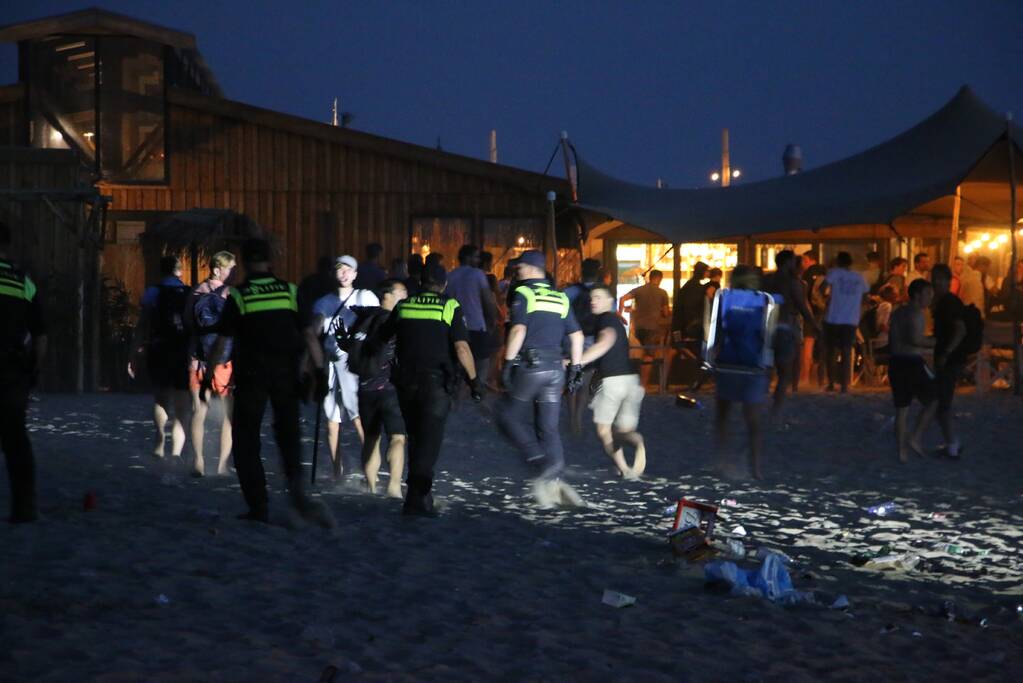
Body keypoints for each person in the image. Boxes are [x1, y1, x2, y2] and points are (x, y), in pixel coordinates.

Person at [205, 238, 331, 526]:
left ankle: (258, 504)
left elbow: (222, 341)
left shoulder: (239, 296)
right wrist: (320, 372)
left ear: (247, 264)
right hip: (286, 374)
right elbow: (310, 335)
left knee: (246, 440)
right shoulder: (290, 291)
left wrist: (209, 375)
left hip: (252, 375)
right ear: (270, 262)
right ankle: (297, 491)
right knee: (288, 435)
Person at [391, 263, 482, 517]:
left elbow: (384, 337)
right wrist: (474, 383)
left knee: (416, 438)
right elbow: (462, 349)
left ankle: (421, 496)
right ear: (444, 285)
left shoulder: (403, 306)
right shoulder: (450, 306)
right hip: (436, 384)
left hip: (406, 384)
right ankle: (416, 499)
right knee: (429, 443)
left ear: (420, 282)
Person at [498, 250, 585, 508]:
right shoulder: (560, 296)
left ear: (534, 268)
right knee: (548, 427)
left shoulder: (524, 293)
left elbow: (518, 329)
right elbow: (577, 336)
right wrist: (576, 369)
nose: (517, 271)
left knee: (508, 416)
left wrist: (508, 363)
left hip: (530, 366)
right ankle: (555, 483)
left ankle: (539, 462)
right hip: (555, 369)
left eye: (520, 267)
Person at [308, 255, 379, 478]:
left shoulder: (365, 296)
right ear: (333, 273)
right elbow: (315, 330)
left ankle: (371, 468)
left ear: (356, 274)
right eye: (340, 269)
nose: (344, 274)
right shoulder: (323, 302)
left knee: (357, 414)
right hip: (330, 362)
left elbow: (379, 323)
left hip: (352, 363)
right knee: (332, 419)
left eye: (349, 270)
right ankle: (336, 469)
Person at [706, 265, 777, 480]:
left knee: (722, 415)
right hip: (752, 363)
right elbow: (768, 336)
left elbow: (715, 329)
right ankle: (755, 468)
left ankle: (721, 460)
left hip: (728, 360)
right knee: (753, 421)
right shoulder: (764, 300)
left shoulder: (725, 298)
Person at [0, 222, 47, 522]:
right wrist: (34, 370)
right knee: (16, 439)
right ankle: (24, 508)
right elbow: (41, 335)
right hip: (12, 370)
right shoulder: (23, 282)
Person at [579, 285, 646, 479]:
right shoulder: (615, 320)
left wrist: (579, 360)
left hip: (612, 383)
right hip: (631, 381)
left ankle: (625, 467)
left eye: (598, 297)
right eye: (592, 298)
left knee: (604, 430)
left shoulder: (606, 319)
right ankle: (635, 444)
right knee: (623, 432)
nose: (593, 301)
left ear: (610, 301)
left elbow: (605, 341)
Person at [128, 256, 192, 459]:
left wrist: (133, 353)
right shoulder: (189, 292)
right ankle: (176, 451)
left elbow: (142, 325)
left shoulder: (153, 292)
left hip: (159, 349)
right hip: (181, 351)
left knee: (161, 397)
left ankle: (159, 439)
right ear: (179, 272)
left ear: (160, 272)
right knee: (182, 403)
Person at [351, 279, 408, 498]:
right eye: (402, 292)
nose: (405, 295)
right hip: (390, 387)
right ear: (388, 295)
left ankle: (372, 486)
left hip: (365, 388)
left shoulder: (364, 318)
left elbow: (350, 347)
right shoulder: (394, 321)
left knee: (372, 437)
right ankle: (394, 488)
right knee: (397, 437)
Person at [185, 251, 236, 477]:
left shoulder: (196, 291)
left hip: (197, 357)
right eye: (229, 269)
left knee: (199, 411)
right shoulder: (230, 293)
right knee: (227, 415)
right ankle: (223, 464)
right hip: (224, 359)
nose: (232, 273)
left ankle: (198, 461)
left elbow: (188, 322)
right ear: (217, 269)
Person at [887, 279, 937, 462]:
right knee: (934, 399)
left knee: (902, 408)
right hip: (911, 362)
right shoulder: (916, 314)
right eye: (928, 294)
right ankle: (915, 437)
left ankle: (901, 452)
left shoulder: (898, 312)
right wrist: (937, 342)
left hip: (895, 362)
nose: (930, 298)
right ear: (917, 295)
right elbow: (915, 339)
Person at [765, 250, 818, 411]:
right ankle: (777, 405)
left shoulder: (768, 280)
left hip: (767, 325)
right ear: (788, 262)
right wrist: (814, 324)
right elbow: (801, 306)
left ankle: (763, 400)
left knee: (768, 366)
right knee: (785, 369)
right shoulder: (793, 282)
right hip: (787, 323)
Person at [446, 245, 498, 389]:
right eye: (476, 256)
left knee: (458, 366)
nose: (478, 260)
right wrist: (492, 321)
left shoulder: (450, 275)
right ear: (468, 257)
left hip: (454, 327)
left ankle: (458, 398)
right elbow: (487, 300)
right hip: (476, 326)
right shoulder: (478, 275)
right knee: (481, 364)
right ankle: (476, 393)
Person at [931, 263, 968, 459]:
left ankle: (952, 445)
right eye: (933, 278)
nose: (936, 282)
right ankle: (952, 442)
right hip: (948, 357)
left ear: (948, 281)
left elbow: (960, 329)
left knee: (942, 403)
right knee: (941, 402)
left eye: (939, 279)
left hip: (950, 359)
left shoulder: (949, 303)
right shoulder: (943, 302)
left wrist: (946, 352)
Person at [563, 258, 602, 435]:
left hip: (572, 339)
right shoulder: (603, 292)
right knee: (585, 384)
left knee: (572, 381)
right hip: (593, 341)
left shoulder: (571, 291)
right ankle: (578, 418)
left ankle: (571, 418)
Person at [822, 251, 869, 393]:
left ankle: (831, 383)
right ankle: (844, 385)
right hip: (851, 318)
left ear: (838, 262)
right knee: (847, 351)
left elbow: (822, 287)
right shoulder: (858, 277)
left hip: (834, 317)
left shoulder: (834, 273)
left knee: (832, 351)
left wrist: (829, 298)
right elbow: (866, 295)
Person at [619, 269, 670, 386]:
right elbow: (666, 313)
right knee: (649, 355)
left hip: (638, 327)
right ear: (660, 279)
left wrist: (620, 314)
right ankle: (644, 385)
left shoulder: (639, 290)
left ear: (650, 278)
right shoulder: (662, 293)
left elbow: (622, 298)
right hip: (652, 328)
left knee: (637, 354)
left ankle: (635, 383)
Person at [672, 262, 709, 342]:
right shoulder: (696, 287)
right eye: (706, 271)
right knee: (686, 347)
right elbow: (691, 306)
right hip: (688, 325)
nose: (708, 273)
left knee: (680, 346)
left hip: (681, 324)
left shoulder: (690, 285)